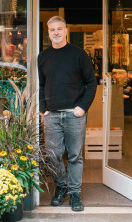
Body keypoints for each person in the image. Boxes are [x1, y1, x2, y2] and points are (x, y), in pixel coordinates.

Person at [38, 16, 97, 211]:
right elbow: (41, 85)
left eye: (59, 29)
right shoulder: (43, 57)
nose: (56, 32)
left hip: (74, 114)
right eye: (52, 29)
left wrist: (82, 107)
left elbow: (91, 83)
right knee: (53, 155)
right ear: (48, 33)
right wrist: (42, 109)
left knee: (74, 155)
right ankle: (61, 187)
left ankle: (74, 194)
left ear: (65, 31)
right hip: (51, 115)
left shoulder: (79, 55)